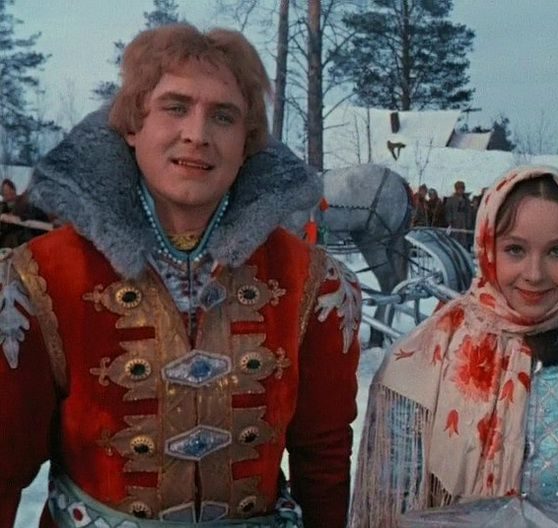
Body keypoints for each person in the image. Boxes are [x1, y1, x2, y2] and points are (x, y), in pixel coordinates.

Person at [0, 24, 361, 528]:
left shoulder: (311, 282)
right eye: (175, 107)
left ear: (247, 142)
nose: (197, 134)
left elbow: (323, 462)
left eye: (223, 116)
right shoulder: (42, 277)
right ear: (133, 125)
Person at [350, 166, 558, 527]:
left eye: (557, 251)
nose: (535, 274)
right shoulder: (418, 367)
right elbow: (391, 512)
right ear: (487, 247)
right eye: (515, 249)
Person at [0, 178, 51, 248]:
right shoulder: (2, 208)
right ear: (3, 194)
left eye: (10, 189)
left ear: (14, 190)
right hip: (8, 245)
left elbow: (36, 217)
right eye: (5, 190)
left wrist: (18, 218)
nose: (9, 192)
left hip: (28, 239)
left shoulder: (24, 203)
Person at [444, 180, 473, 248]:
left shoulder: (466, 200)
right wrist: (449, 220)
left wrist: (468, 222)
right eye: (459, 188)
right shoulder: (451, 199)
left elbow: (469, 212)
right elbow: (448, 210)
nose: (460, 190)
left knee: (463, 239)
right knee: (454, 238)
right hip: (455, 222)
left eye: (462, 188)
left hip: (463, 222)